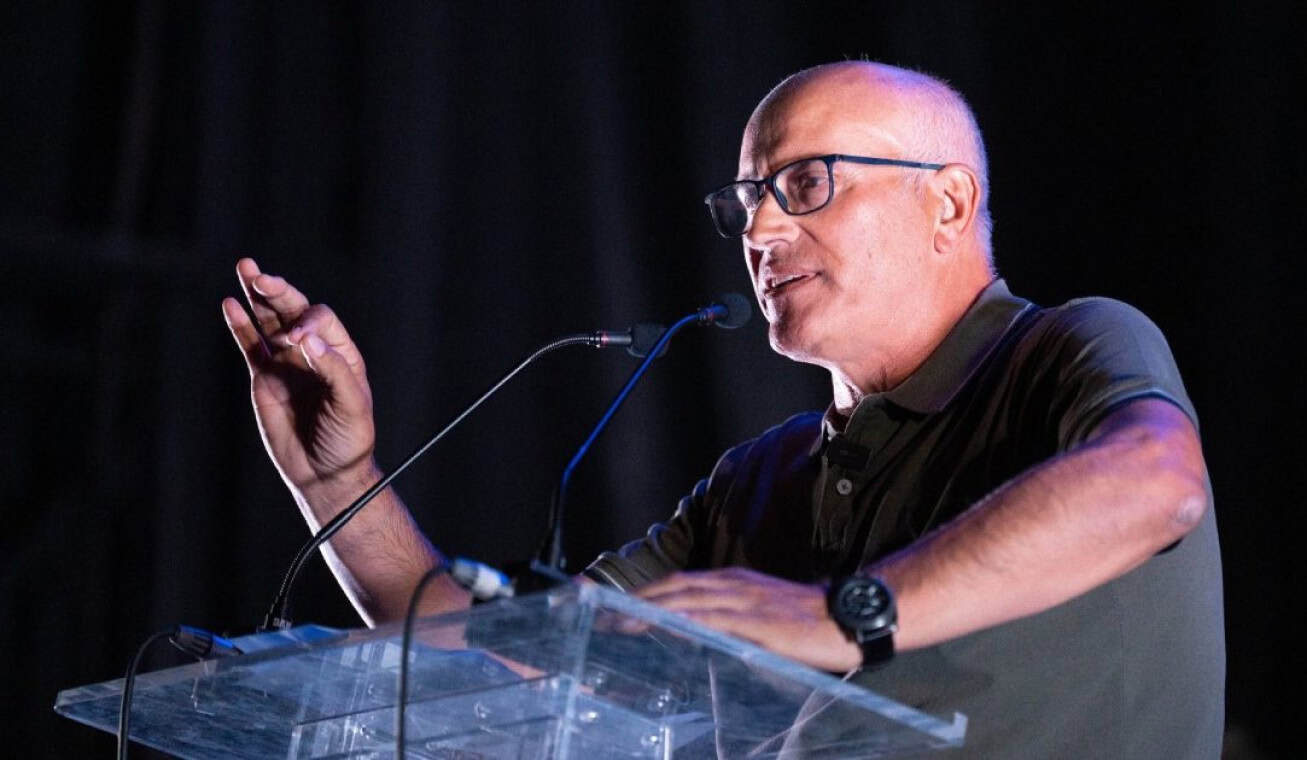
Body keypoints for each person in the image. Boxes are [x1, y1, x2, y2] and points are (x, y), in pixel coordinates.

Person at [223, 61, 1223, 757]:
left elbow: (1155, 484)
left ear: (948, 205)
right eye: (747, 202)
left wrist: (843, 616)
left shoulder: (1062, 348)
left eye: (805, 183)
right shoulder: (757, 481)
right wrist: (336, 480)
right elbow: (490, 657)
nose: (761, 230)